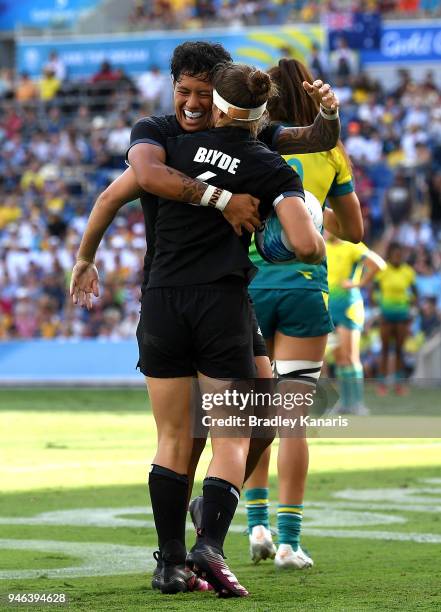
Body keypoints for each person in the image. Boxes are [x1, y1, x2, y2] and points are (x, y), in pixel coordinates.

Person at [70, 41, 340, 592]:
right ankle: (206, 542)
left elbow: (115, 193)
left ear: (217, 98)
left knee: (196, 431)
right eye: (183, 91)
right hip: (220, 303)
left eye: (201, 93)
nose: (191, 102)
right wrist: (233, 205)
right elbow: (309, 241)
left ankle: (172, 561)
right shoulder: (183, 138)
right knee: (232, 436)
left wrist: (85, 257)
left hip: (165, 301)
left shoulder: (177, 146)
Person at [242, 58, 363, 569]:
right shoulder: (330, 150)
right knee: (293, 420)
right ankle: (290, 542)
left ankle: (255, 527)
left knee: (249, 414)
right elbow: (354, 230)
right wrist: (314, 210)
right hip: (303, 288)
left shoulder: (247, 142)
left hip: (246, 289)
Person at [327, 234, 386, 413]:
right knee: (338, 358)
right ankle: (345, 402)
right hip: (329, 308)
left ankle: (357, 403)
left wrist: (358, 284)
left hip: (348, 308)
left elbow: (379, 265)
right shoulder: (321, 246)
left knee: (350, 356)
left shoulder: (352, 246)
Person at [375, 242, 417, 396]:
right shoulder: (383, 270)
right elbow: (375, 290)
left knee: (400, 350)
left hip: (402, 316)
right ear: (390, 255)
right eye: (395, 255)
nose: (398, 257)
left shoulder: (408, 272)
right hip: (386, 315)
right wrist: (377, 309)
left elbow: (415, 292)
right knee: (385, 350)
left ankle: (399, 385)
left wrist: (411, 307)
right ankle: (382, 384)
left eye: (400, 255)